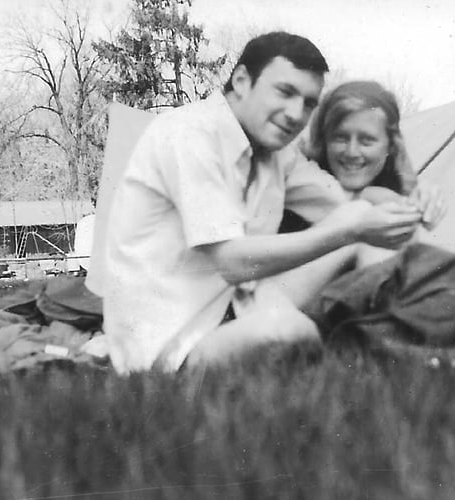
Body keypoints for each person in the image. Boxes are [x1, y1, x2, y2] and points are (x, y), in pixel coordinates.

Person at [101, 32, 425, 373]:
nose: (295, 114)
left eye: (309, 102)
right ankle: (363, 355)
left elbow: (346, 204)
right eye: (284, 92)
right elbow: (232, 263)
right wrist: (348, 230)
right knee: (290, 332)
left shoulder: (276, 152)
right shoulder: (188, 134)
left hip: (241, 305)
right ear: (241, 81)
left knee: (365, 221)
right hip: (170, 343)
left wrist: (409, 196)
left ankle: (405, 359)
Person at [304, 80, 447, 268]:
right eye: (340, 138)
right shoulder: (300, 175)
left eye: (366, 141)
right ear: (324, 141)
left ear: (391, 146)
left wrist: (420, 203)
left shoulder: (395, 184)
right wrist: (369, 196)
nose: (352, 152)